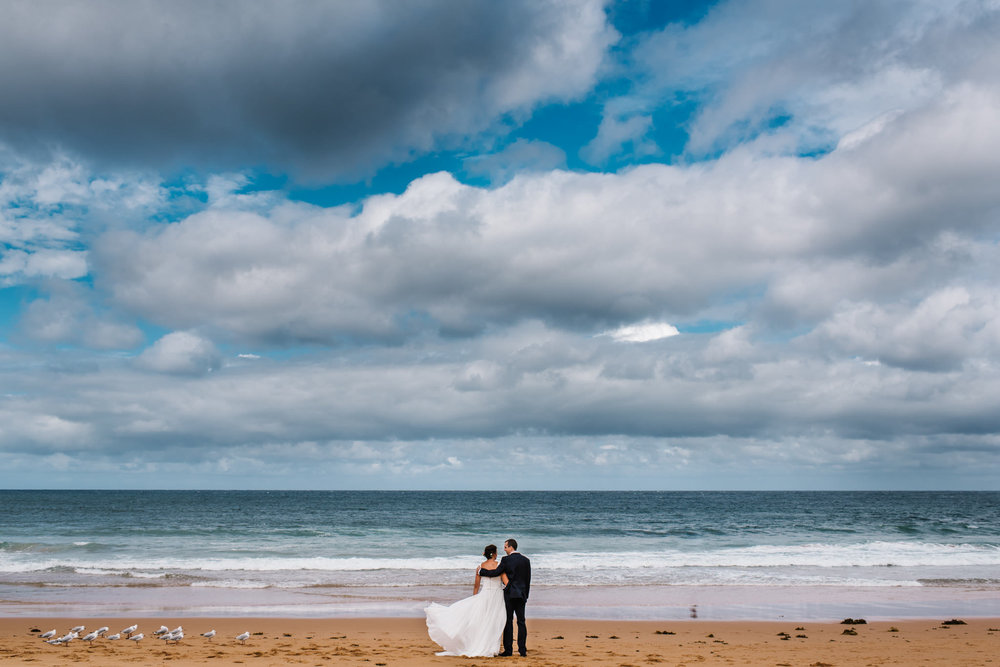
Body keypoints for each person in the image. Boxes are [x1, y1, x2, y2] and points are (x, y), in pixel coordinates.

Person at [425, 544, 506, 657]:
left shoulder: (480, 567)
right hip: (497, 596)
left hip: (485, 595)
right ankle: (492, 648)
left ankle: (483, 645)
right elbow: (506, 582)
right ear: (494, 554)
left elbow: (476, 586)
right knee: (494, 622)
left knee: (483, 621)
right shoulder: (500, 566)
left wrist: (474, 598)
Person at [479, 538, 531, 657]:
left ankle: (508, 650)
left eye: (506, 547)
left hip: (509, 595)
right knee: (521, 622)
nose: (504, 549)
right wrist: (526, 594)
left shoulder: (506, 560)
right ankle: (522, 650)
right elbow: (528, 580)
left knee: (508, 621)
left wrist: (482, 572)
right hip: (522, 595)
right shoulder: (526, 560)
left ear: (511, 547)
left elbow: (496, 572)